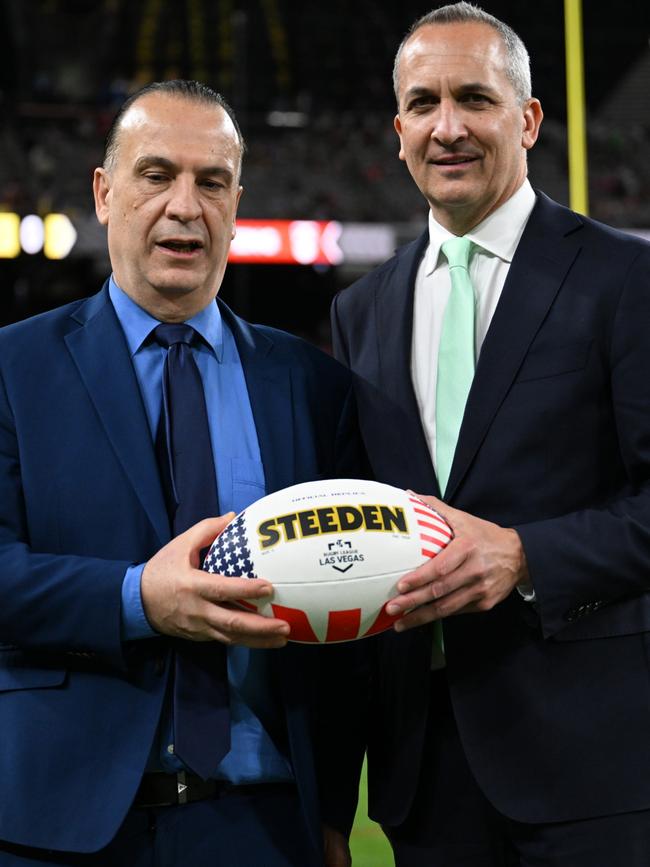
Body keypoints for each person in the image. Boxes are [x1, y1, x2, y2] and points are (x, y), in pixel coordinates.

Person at [321, 4, 650, 866]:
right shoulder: (361, 310)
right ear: (398, 132)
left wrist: (526, 556)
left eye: (475, 98)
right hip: (425, 778)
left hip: (592, 772)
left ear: (529, 119)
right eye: (424, 103)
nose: (449, 126)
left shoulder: (624, 277)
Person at [0, 80, 360, 866]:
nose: (185, 205)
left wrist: (332, 809)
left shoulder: (311, 383)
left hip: (262, 825)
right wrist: (137, 600)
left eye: (213, 181)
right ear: (104, 191)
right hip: (59, 827)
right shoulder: (11, 368)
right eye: (156, 174)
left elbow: (345, 629)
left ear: (237, 203)